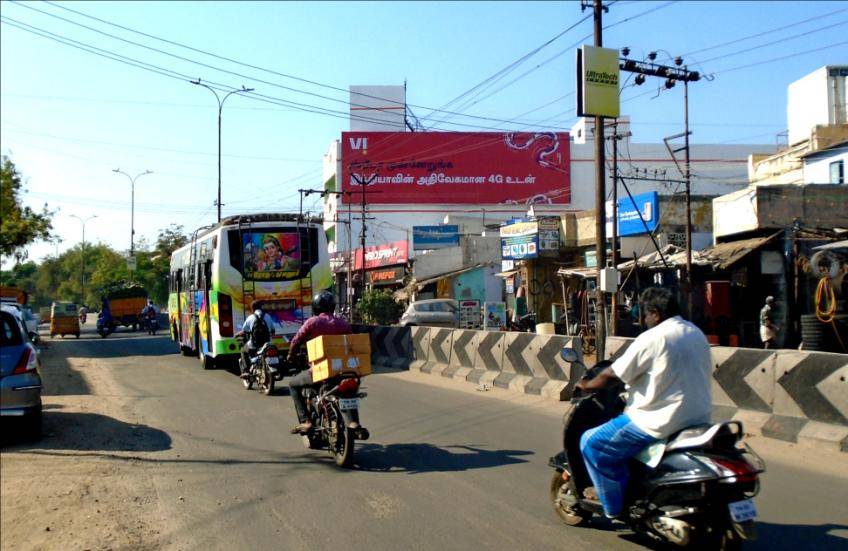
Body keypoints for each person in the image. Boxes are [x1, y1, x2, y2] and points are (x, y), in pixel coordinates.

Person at [574, 287, 712, 519]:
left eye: (645, 314)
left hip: (656, 421)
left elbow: (613, 374)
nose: (644, 320)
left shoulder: (654, 337)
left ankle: (613, 506)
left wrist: (587, 385)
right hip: (697, 418)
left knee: (591, 442)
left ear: (656, 313)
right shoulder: (696, 333)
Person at [287, 290, 353, 434]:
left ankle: (305, 420)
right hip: (343, 370)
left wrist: (291, 355)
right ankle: (353, 421)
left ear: (316, 307)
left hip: (320, 371)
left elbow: (296, 341)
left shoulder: (313, 322)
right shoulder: (343, 322)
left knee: (292, 385)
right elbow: (352, 342)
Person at [238, 300, 274, 379]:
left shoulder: (250, 317)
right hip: (267, 344)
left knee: (243, 350)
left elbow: (244, 331)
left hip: (254, 344)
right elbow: (273, 330)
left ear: (252, 308)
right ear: (261, 307)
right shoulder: (268, 316)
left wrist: (237, 334)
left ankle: (246, 371)